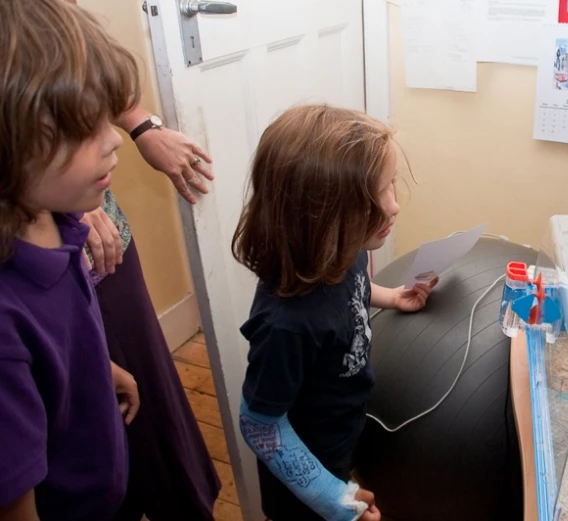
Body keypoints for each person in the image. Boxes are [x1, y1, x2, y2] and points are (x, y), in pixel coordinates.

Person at [232, 105, 438, 521]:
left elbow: (352, 295)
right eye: (377, 196)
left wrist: (393, 297)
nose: (394, 206)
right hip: (305, 475)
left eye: (391, 186)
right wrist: (334, 500)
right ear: (322, 214)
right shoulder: (285, 324)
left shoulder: (346, 252)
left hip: (341, 434)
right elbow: (260, 424)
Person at [61, 1, 222, 519]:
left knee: (139, 381)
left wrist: (142, 126)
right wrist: (48, 211)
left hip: (100, 244)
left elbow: (86, 59)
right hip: (42, 237)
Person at [0, 0, 142, 519]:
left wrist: (100, 369)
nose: (113, 142)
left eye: (108, 118)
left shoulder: (59, 222)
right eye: (84, 128)